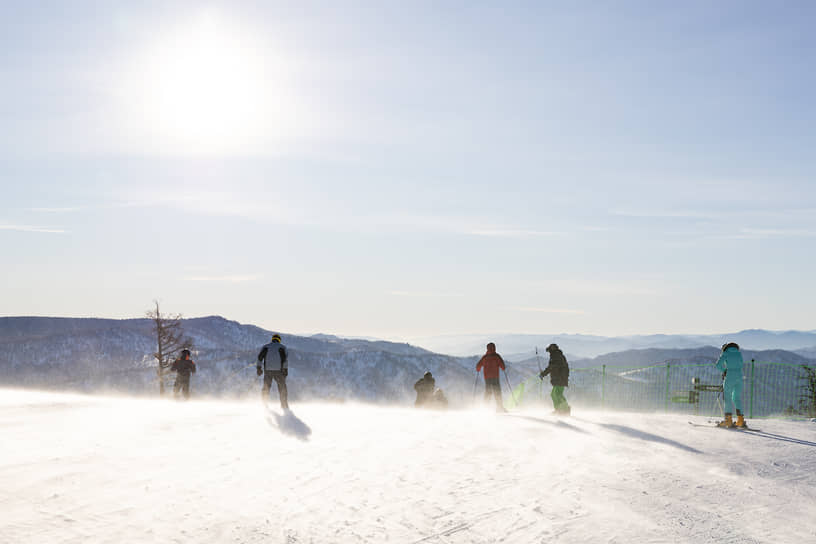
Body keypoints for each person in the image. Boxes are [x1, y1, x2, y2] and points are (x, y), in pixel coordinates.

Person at [716, 342, 746, 428]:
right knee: (737, 398)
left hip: (729, 377)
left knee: (727, 397)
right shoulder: (739, 353)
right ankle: (740, 420)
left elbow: (718, 365)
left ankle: (728, 420)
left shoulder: (725, 353)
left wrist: (724, 370)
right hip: (740, 377)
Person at [257, 334, 289, 410]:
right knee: (282, 388)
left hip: (268, 371)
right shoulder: (282, 347)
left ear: (272, 339)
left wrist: (259, 368)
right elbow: (285, 360)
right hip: (279, 372)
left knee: (266, 388)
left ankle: (264, 405)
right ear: (279, 340)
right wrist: (285, 370)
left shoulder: (265, 347)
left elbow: (260, 358)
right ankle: (284, 406)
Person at [539, 343, 570, 415]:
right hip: (559, 379)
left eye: (549, 351)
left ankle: (564, 410)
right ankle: (559, 409)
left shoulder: (556, 357)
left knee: (557, 394)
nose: (549, 352)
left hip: (560, 379)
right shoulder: (557, 356)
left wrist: (543, 374)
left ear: (552, 350)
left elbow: (551, 367)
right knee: (554, 394)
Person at [476, 342, 506, 412]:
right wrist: (502, 368)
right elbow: (503, 367)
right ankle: (499, 408)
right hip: (495, 377)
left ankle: (485, 408)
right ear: (494, 348)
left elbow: (478, 366)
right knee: (497, 392)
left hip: (487, 378)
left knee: (488, 392)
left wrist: (478, 369)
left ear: (487, 349)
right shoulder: (497, 356)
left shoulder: (485, 357)